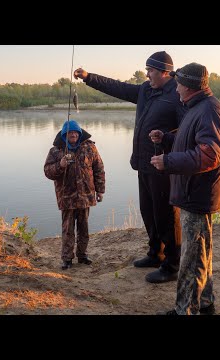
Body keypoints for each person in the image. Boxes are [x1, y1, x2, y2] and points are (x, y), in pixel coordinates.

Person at [74, 51, 185, 283]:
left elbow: (186, 132)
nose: (147, 75)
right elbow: (118, 87)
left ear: (165, 72)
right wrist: (88, 77)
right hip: (143, 163)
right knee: (148, 211)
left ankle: (173, 265)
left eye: (151, 71)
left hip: (163, 165)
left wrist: (165, 139)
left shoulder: (177, 93)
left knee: (166, 215)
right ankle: (156, 254)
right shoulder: (145, 90)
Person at [150, 62, 220, 315]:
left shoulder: (209, 111)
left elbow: (209, 156)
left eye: (179, 85)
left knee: (191, 259)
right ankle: (205, 304)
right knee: (201, 253)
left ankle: (185, 310)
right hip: (195, 193)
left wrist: (168, 161)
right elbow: (192, 143)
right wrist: (167, 139)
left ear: (190, 86)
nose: (176, 90)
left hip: (197, 194)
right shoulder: (198, 108)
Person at [44, 119, 105, 270]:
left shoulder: (90, 147)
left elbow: (99, 169)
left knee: (84, 228)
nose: (73, 135)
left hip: (86, 195)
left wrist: (100, 190)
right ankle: (67, 259)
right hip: (67, 198)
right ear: (64, 134)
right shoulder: (56, 151)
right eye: (70, 132)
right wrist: (61, 165)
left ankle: (82, 255)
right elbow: (47, 171)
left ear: (79, 133)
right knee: (68, 230)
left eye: (75, 132)